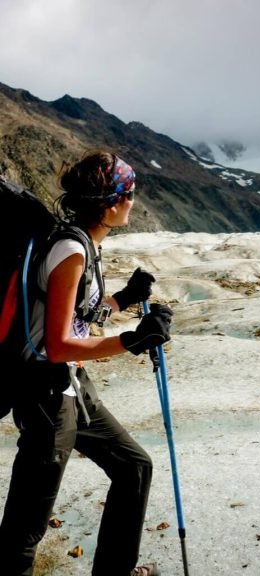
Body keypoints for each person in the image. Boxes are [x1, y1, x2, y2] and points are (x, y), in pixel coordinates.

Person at [0, 151, 172, 576]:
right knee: (24, 530)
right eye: (129, 193)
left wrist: (122, 301)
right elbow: (58, 344)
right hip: (46, 398)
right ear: (111, 202)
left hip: (72, 389)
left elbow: (74, 315)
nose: (134, 200)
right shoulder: (71, 250)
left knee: (134, 468)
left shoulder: (85, 245)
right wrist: (131, 341)